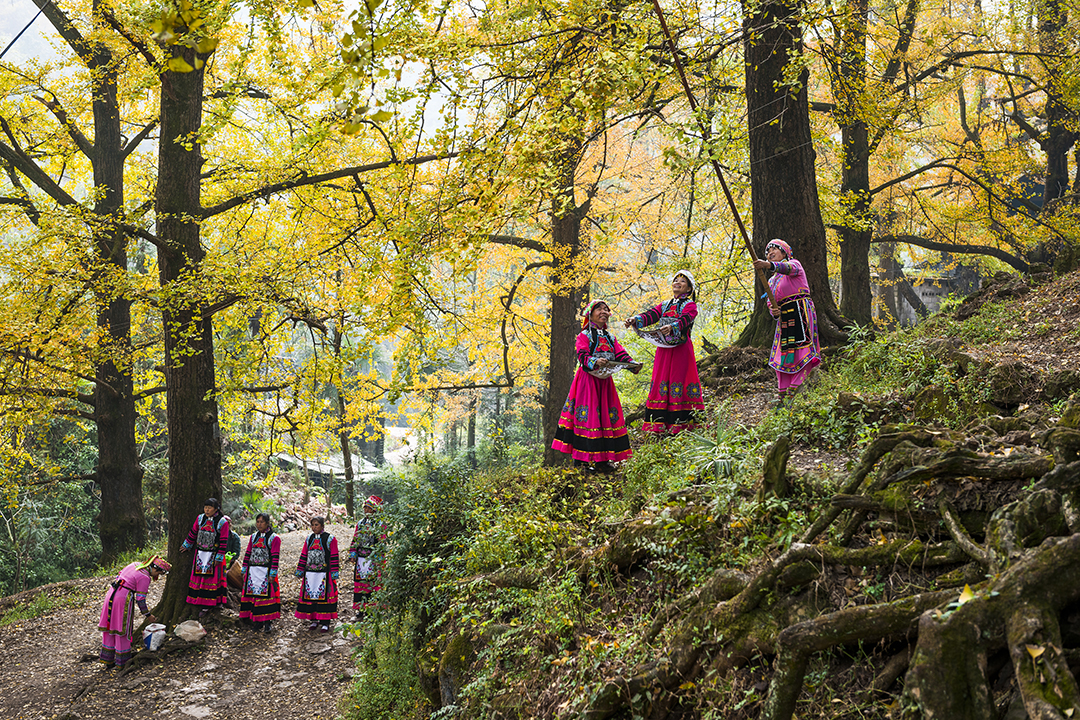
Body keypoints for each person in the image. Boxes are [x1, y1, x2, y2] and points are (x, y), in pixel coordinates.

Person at [553, 299, 640, 471]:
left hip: (605, 382)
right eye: (599, 309)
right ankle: (581, 461)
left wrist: (633, 365)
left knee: (603, 419)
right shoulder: (584, 335)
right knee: (587, 417)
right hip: (587, 381)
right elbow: (582, 355)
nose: (603, 312)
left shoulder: (610, 337)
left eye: (606, 309)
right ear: (590, 314)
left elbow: (621, 354)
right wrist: (594, 361)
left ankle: (602, 462)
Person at [625, 271, 705, 434]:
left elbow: (686, 319)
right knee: (661, 379)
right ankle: (658, 425)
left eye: (683, 281)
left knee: (679, 379)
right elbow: (651, 315)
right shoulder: (665, 305)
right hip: (663, 348)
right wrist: (635, 319)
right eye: (676, 280)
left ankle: (682, 425)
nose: (678, 282)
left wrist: (673, 327)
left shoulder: (690, 305)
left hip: (681, 349)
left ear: (689, 289)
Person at [753, 239, 821, 405]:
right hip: (785, 319)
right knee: (784, 355)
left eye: (774, 249)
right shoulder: (771, 281)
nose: (770, 253)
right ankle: (784, 396)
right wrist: (774, 311)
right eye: (767, 252)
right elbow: (771, 302)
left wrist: (768, 265)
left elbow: (788, 269)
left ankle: (797, 390)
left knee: (802, 349)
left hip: (800, 311)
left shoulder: (794, 265)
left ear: (784, 252)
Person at [98, 556, 170, 668]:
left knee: (110, 625)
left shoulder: (135, 564)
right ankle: (122, 663)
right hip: (122, 599)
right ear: (155, 569)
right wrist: (148, 615)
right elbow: (141, 600)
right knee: (122, 629)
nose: (157, 576)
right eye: (159, 574)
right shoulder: (145, 577)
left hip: (111, 593)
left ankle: (108, 660)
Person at [179, 497, 230, 613]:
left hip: (215, 555)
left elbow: (223, 540)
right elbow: (193, 532)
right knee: (200, 578)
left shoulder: (222, 522)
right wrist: (187, 544)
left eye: (209, 508)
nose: (206, 510)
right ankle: (201, 602)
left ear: (216, 509)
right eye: (205, 507)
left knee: (213, 579)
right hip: (200, 554)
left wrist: (220, 556)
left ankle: (214, 603)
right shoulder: (200, 518)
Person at [295, 516, 340, 632]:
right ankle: (314, 620)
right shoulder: (309, 539)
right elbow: (304, 554)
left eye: (317, 525)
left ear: (322, 525)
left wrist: (334, 572)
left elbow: (334, 556)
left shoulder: (330, 539)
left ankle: (325, 622)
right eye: (313, 525)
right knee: (311, 596)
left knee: (324, 598)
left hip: (324, 574)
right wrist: (300, 569)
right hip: (310, 574)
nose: (314, 527)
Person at [239, 512, 281, 633]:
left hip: (265, 572)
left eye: (262, 522)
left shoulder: (274, 538)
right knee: (254, 597)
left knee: (266, 598)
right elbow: (248, 553)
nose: (259, 524)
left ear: (267, 523)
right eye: (257, 522)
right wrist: (244, 569)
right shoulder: (253, 537)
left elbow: (275, 557)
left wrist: (273, 573)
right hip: (253, 572)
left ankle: (268, 623)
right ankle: (257, 622)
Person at [349, 495, 387, 619]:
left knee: (373, 584)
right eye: (365, 508)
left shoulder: (380, 524)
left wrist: (379, 560)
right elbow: (355, 539)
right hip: (361, 560)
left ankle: (372, 611)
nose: (366, 511)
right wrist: (353, 553)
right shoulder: (360, 523)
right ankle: (360, 610)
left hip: (374, 560)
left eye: (369, 508)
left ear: (374, 510)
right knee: (360, 585)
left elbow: (382, 542)